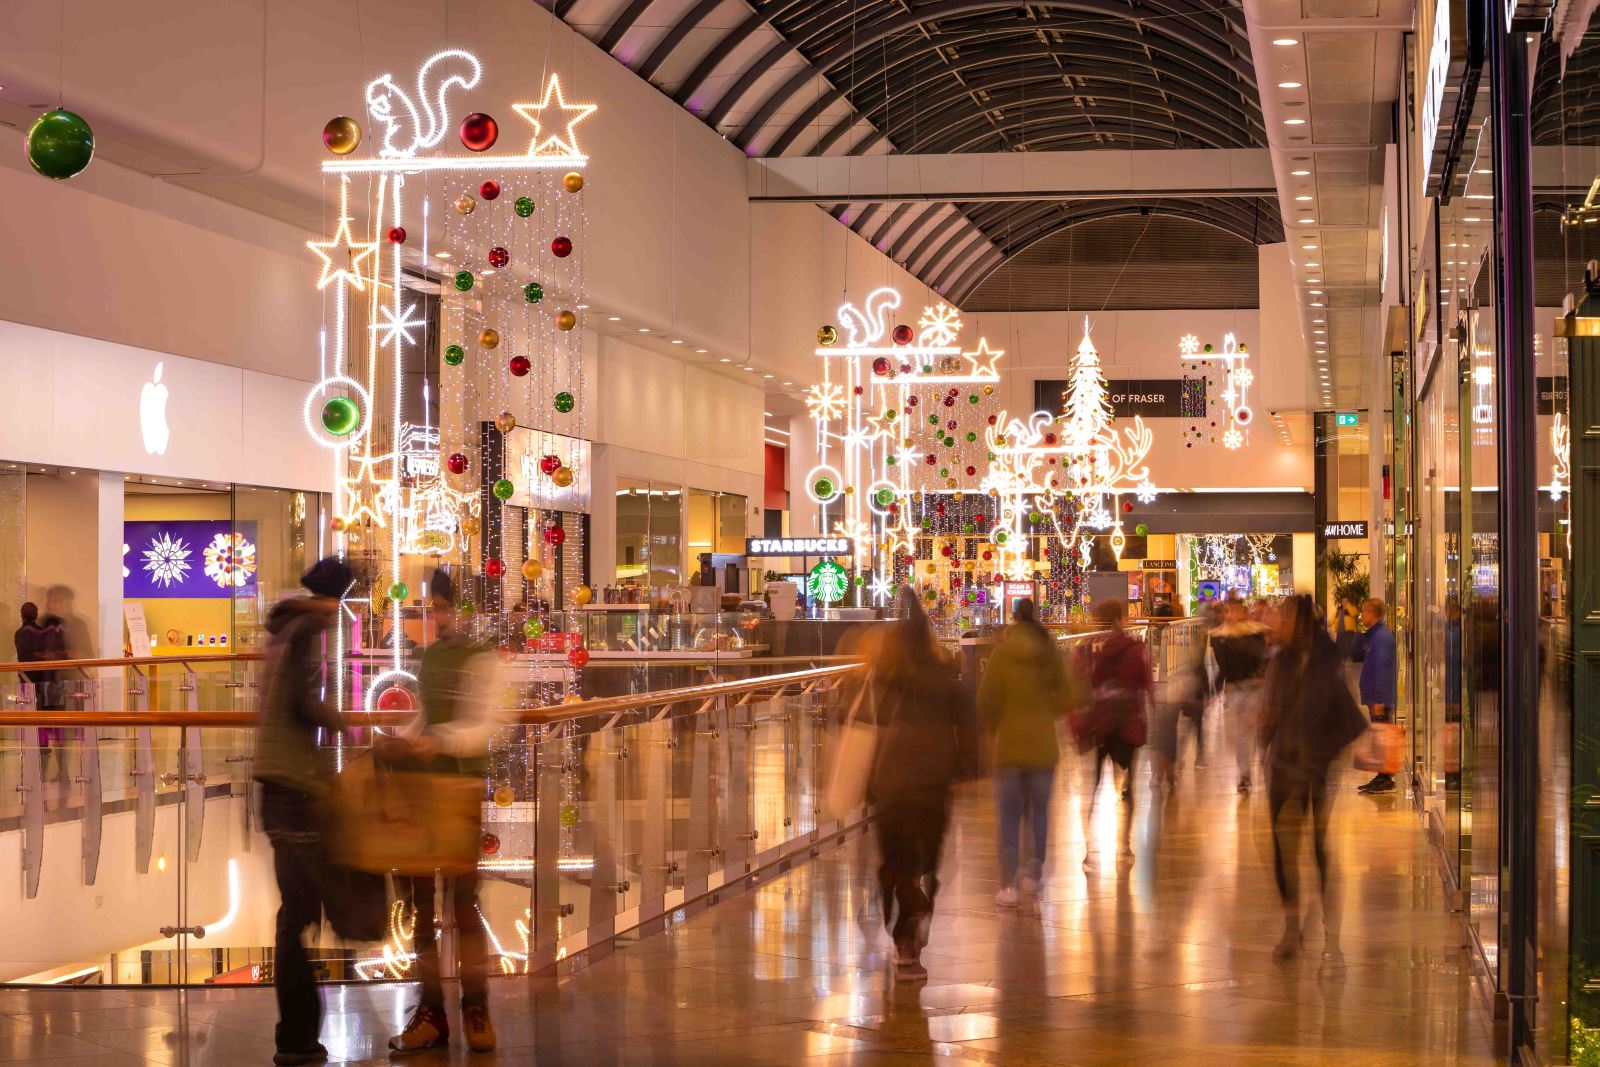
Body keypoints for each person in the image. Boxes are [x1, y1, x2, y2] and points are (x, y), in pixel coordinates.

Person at [388, 568, 509, 1054]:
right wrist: (407, 738)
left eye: (440, 606)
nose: (435, 616)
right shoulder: (433, 655)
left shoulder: (484, 658)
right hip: (424, 788)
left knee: (461, 902)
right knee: (420, 910)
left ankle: (475, 1006)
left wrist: (435, 740)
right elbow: (429, 711)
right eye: (432, 606)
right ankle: (433, 1011)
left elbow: (488, 723)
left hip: (459, 790)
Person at [254, 557, 352, 1067]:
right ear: (335, 597)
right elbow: (301, 703)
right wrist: (344, 725)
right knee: (299, 916)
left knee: (295, 913)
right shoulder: (310, 626)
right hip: (294, 786)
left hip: (274, 781)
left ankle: (295, 1033)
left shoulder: (284, 624)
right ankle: (296, 1036)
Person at [866, 588, 978, 976]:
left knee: (895, 860)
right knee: (924, 860)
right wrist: (969, 765)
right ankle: (912, 921)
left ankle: (904, 928)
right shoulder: (945, 678)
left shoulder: (883, 680)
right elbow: (968, 724)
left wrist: (865, 783)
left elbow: (865, 730)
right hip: (933, 782)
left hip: (890, 785)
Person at [1259, 594, 1368, 959]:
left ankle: (1327, 928)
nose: (1278, 623)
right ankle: (1292, 925)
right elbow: (1270, 709)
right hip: (1284, 765)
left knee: (1316, 845)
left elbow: (1346, 716)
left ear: (1300, 622)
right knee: (1282, 843)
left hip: (1315, 767)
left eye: (1284, 617)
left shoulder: (1325, 663)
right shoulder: (1281, 661)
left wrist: (1323, 752)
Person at [978, 598, 1079, 907]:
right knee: (1039, 813)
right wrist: (1048, 711)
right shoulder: (1049, 652)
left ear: (1013, 618)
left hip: (1009, 746)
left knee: (1008, 815)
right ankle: (1033, 875)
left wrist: (995, 725)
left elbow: (986, 699)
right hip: (1042, 746)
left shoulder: (1000, 653)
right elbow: (1068, 694)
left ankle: (1007, 885)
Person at [1077, 598, 1152, 861]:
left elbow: (1085, 682)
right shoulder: (1133, 647)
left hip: (1101, 723)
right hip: (1127, 722)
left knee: (1095, 785)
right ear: (1120, 618)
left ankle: (1088, 850)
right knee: (1129, 787)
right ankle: (1124, 845)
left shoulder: (1090, 647)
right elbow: (1145, 682)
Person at [1210, 598, 1270, 794]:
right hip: (1235, 689)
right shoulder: (1220, 637)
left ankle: (1251, 771)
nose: (1232, 616)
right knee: (1238, 735)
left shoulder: (1256, 633)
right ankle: (1245, 772)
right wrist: (1216, 689)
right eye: (1229, 611)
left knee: (1250, 732)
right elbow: (1223, 668)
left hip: (1253, 688)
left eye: (1235, 611)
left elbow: (1263, 658)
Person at [1350, 598, 1399, 794]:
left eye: (1364, 612)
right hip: (1374, 696)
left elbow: (1383, 670)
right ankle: (1382, 775)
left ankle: (1386, 778)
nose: (1362, 615)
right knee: (1379, 738)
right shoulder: (1373, 636)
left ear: (1373, 613)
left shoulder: (1382, 638)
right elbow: (1355, 653)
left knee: (1383, 737)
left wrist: (1379, 698)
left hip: (1379, 698)